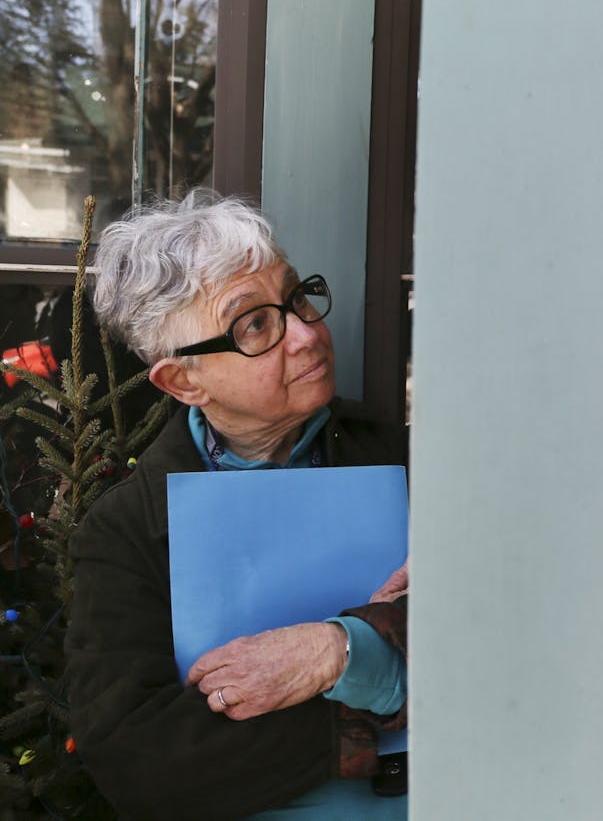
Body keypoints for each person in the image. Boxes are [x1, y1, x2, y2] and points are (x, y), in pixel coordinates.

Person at [65, 190, 408, 820]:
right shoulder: (127, 529)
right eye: (254, 324)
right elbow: (139, 759)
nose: (306, 334)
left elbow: (505, 621)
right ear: (182, 381)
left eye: (297, 297)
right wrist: (375, 700)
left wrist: (339, 650)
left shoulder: (411, 463)